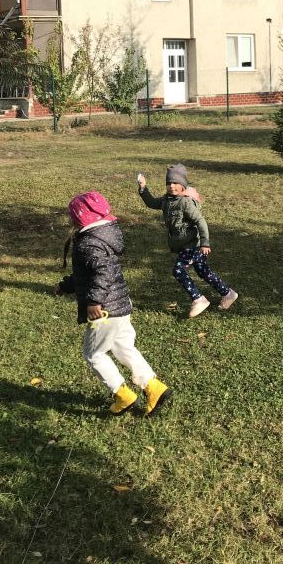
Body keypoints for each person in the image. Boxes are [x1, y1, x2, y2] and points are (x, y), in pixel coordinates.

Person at [55, 191, 171, 416]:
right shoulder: (103, 236)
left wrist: (94, 301)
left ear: (81, 218)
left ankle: (122, 394)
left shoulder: (88, 243)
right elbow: (86, 274)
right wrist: (65, 285)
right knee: (123, 347)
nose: (70, 220)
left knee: (93, 354)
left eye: (72, 216)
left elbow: (104, 272)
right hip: (120, 306)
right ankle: (154, 387)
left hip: (105, 311)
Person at [137, 163, 238, 319]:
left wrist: (205, 242)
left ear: (183, 185)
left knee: (178, 270)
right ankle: (228, 294)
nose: (172, 186)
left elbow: (200, 221)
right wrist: (143, 188)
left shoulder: (185, 202)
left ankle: (199, 299)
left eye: (175, 183)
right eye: (169, 183)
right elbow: (151, 203)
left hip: (193, 245)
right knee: (203, 271)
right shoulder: (166, 200)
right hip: (186, 245)